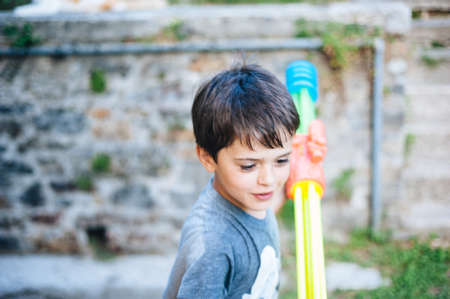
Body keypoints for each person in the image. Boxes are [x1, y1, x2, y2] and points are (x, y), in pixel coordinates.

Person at [163, 63, 299, 299]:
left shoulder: (253, 196)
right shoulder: (213, 247)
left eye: (281, 161)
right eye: (248, 166)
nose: (269, 180)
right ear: (207, 158)